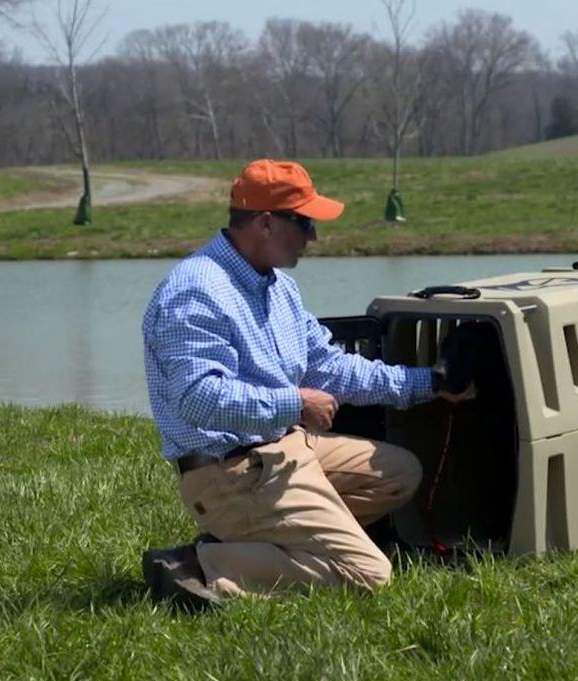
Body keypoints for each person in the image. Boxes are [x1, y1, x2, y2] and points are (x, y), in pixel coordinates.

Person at [140, 159, 473, 607]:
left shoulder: (277, 287)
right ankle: (203, 567)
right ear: (265, 223)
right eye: (305, 222)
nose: (313, 236)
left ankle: (266, 547)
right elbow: (197, 398)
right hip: (229, 474)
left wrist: (428, 382)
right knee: (369, 576)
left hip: (285, 450)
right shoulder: (195, 292)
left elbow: (329, 367)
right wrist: (293, 405)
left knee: (399, 474)